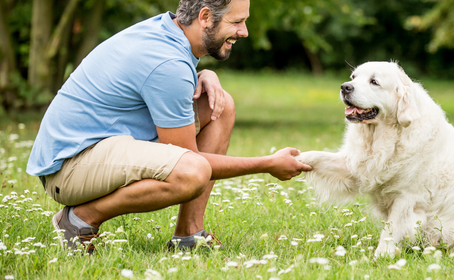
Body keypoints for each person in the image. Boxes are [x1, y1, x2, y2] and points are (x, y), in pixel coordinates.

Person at [26, 0, 312, 254]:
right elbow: (187, 157)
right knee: (192, 172)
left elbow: (157, 80)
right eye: (237, 22)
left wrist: (204, 73)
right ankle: (78, 220)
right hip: (68, 168)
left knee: (219, 107)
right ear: (205, 17)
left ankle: (188, 235)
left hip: (96, 147)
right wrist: (268, 163)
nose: (244, 32)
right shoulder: (167, 62)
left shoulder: (167, 32)